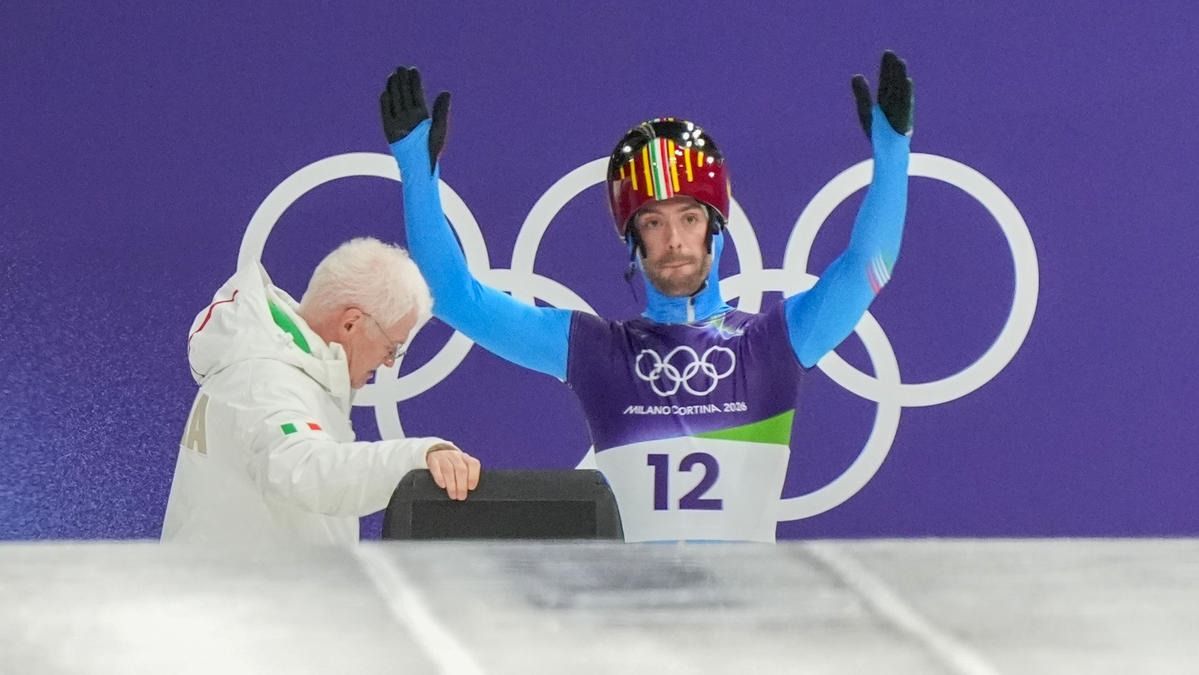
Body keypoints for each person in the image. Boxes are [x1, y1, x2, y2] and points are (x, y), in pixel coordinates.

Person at [380, 52, 913, 542]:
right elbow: (453, 297)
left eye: (690, 218)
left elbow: (870, 265)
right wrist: (417, 172)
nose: (674, 240)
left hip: (749, 610)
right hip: (632, 610)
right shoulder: (597, 352)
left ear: (716, 228)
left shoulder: (774, 343)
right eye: (653, 223)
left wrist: (893, 153)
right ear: (632, 241)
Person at [161, 237, 481, 545]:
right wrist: (416, 457)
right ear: (351, 323)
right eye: (391, 347)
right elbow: (308, 473)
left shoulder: (286, 371)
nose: (388, 363)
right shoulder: (264, 381)